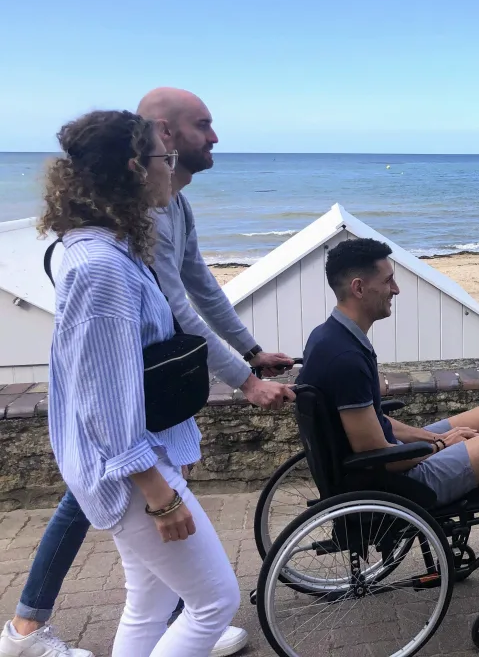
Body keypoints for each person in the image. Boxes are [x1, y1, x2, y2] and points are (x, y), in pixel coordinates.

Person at [0, 89, 293, 657]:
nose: (173, 166)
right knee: (212, 602)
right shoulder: (103, 267)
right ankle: (26, 628)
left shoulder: (122, 245)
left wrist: (249, 353)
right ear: (138, 166)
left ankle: (30, 626)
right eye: (164, 157)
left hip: (148, 452)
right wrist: (158, 491)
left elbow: (194, 290)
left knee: (149, 601)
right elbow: (102, 398)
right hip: (135, 466)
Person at [298, 238, 479, 593]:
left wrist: (426, 436)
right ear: (359, 288)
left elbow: (371, 422)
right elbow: (377, 456)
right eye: (388, 280)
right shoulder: (345, 357)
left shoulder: (329, 336)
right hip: (395, 483)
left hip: (378, 461)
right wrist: (439, 445)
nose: (396, 289)